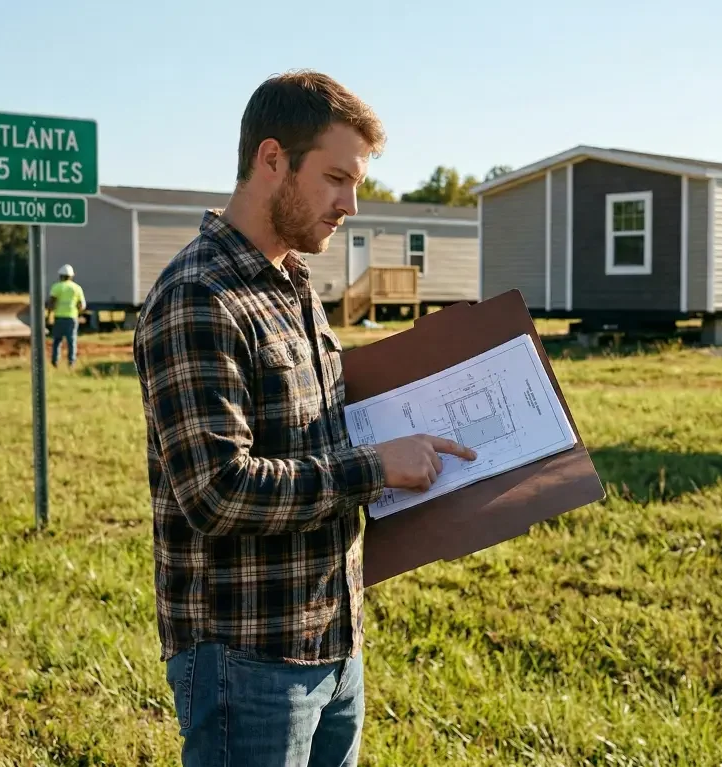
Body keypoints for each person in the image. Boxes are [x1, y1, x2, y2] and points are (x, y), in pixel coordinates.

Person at [131, 70, 477, 766]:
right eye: (335, 178)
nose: (350, 203)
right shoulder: (199, 296)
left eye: (355, 184)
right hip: (247, 656)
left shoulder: (293, 284)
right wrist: (376, 465)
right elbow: (218, 490)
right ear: (270, 160)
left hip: (333, 640)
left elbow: (321, 436)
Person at [46, 264, 85, 369]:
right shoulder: (77, 288)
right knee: (72, 341)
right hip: (72, 318)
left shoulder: (56, 287)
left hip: (59, 317)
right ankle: (71, 362)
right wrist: (79, 314)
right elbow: (81, 305)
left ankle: (55, 362)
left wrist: (49, 315)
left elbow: (51, 303)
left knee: (57, 341)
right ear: (71, 276)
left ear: (60, 276)